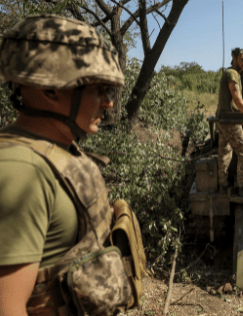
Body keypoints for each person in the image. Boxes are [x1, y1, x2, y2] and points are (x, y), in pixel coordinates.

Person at [0, 15, 135, 316]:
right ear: (50, 90)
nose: (108, 102)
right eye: (97, 89)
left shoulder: (58, 150)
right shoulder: (21, 171)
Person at [216, 48, 243, 196]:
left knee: (225, 152)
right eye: (242, 59)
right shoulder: (232, 74)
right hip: (230, 121)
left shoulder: (230, 73)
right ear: (234, 58)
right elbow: (237, 99)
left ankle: (223, 186)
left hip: (222, 120)